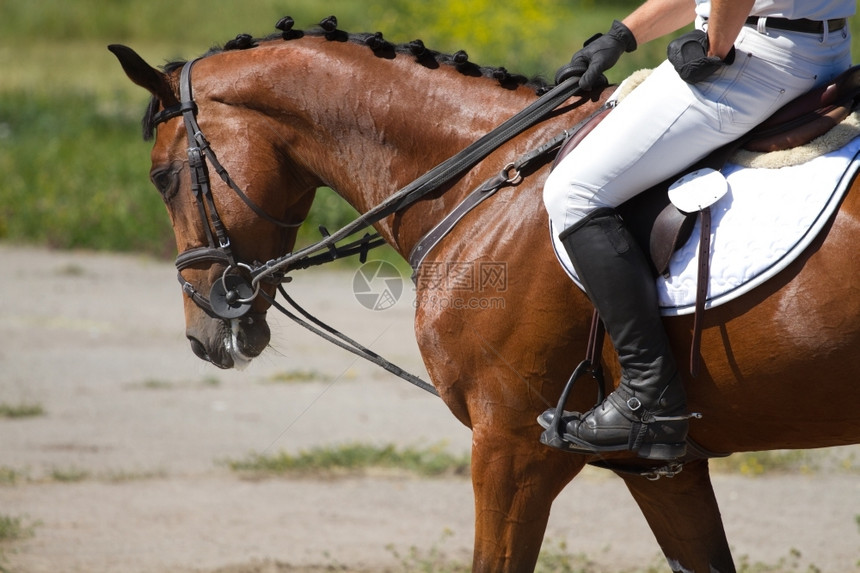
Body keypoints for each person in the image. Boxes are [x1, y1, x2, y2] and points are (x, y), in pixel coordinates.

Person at [540, 0, 853, 460]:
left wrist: (714, 45)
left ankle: (647, 395)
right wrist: (622, 35)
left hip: (752, 56)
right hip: (819, 51)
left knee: (573, 192)